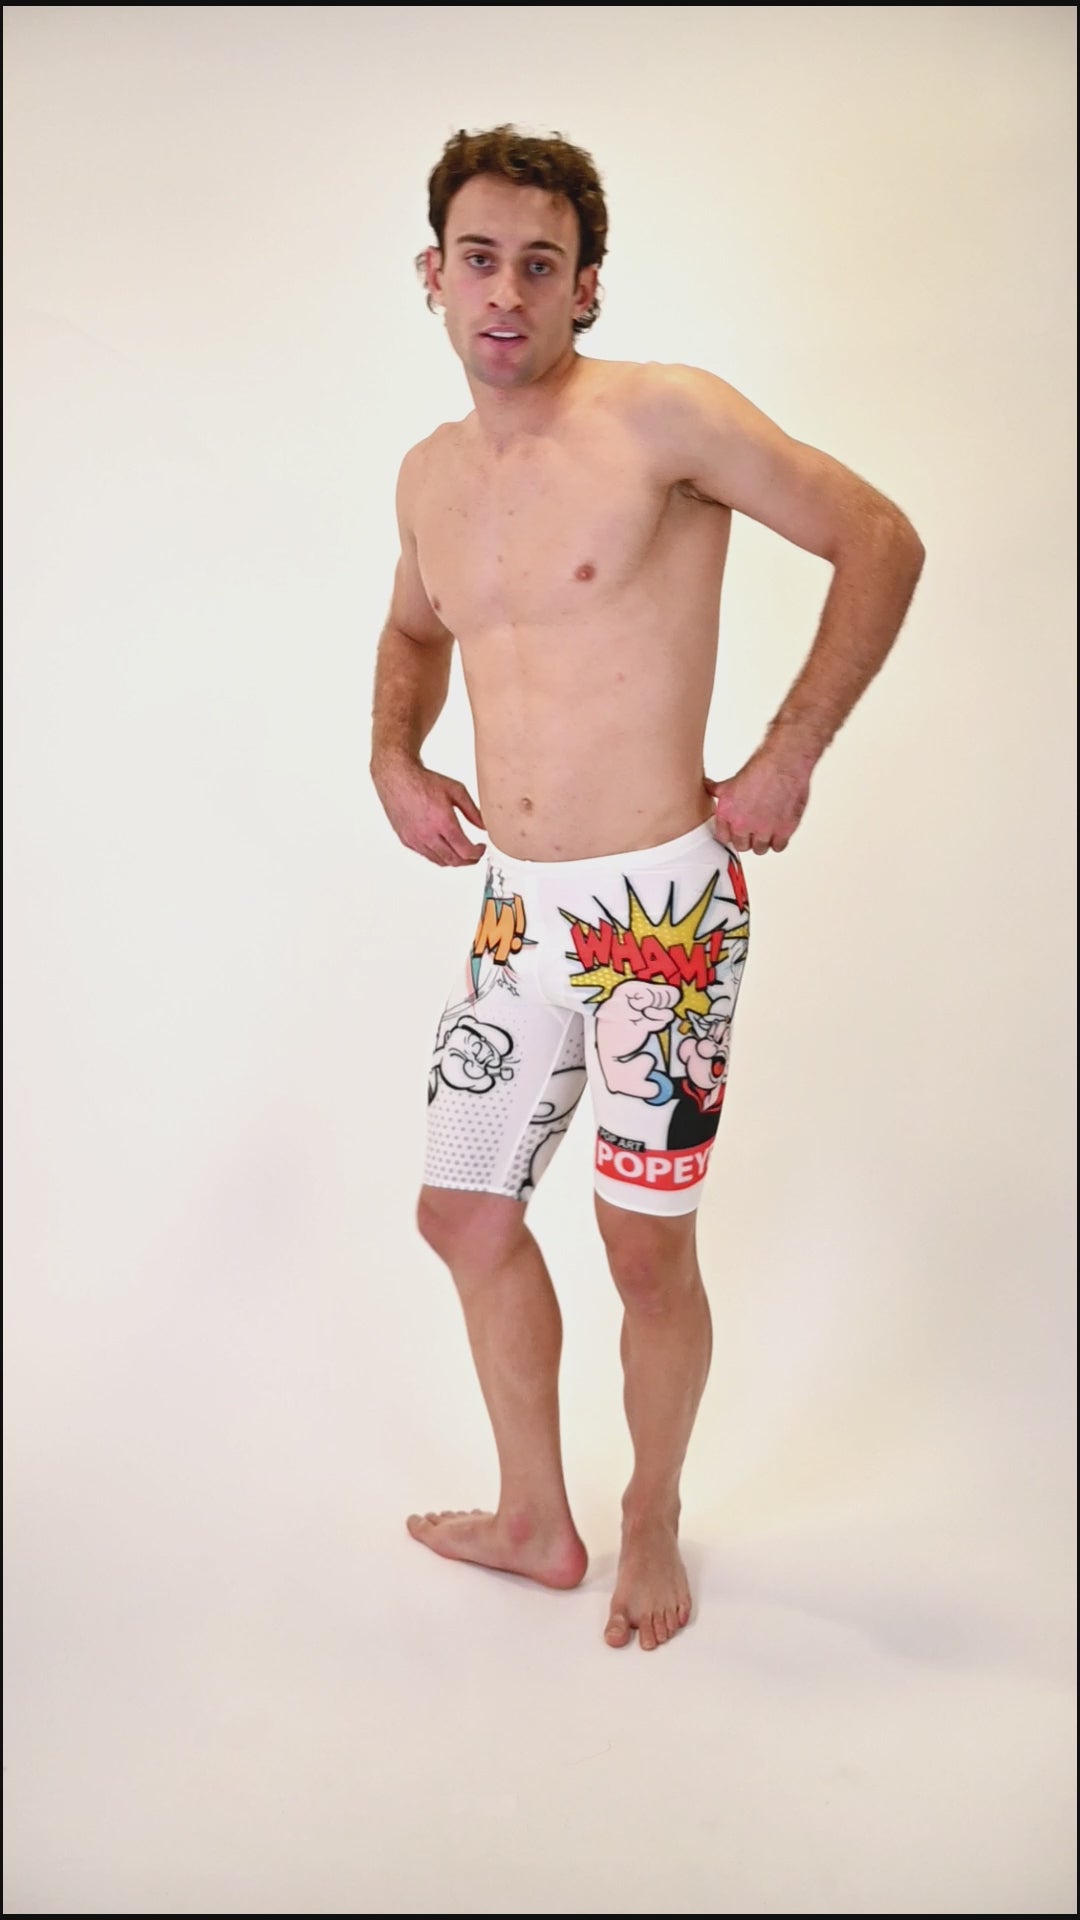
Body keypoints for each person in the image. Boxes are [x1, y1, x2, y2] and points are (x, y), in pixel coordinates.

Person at [370, 125, 924, 1652]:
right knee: (463, 1214)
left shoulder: (663, 417)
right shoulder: (429, 476)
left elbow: (879, 537)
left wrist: (789, 751)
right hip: (514, 917)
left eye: (539, 265)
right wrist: (394, 755)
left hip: (662, 920)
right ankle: (534, 1518)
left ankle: (653, 1509)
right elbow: (414, 632)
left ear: (586, 288)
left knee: (642, 1249)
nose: (506, 291)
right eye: (479, 258)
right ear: (433, 275)